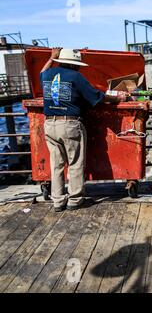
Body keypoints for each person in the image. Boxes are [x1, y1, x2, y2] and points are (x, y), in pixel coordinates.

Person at [41, 48, 127, 212]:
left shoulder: (47, 74)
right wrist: (117, 98)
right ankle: (75, 199)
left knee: (56, 164)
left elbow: (41, 71)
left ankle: (58, 201)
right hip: (69, 125)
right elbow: (97, 96)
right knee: (75, 163)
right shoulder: (75, 76)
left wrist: (51, 58)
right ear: (73, 65)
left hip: (49, 125)